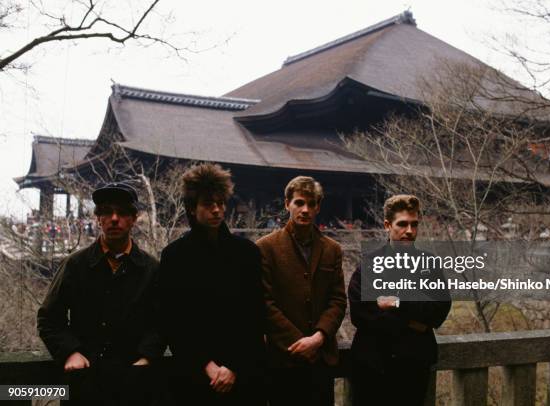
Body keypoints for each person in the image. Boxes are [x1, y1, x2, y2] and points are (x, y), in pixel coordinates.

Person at [37, 182, 164, 406]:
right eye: (107, 212)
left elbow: (162, 321)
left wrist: (147, 356)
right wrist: (69, 352)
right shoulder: (75, 265)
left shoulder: (150, 268)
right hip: (86, 379)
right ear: (98, 219)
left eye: (123, 213)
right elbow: (49, 317)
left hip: (133, 382)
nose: (114, 219)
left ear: (133, 219)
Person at [158, 163, 265, 406]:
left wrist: (233, 366)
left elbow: (255, 314)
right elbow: (173, 318)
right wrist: (205, 364)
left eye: (220, 203)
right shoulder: (174, 256)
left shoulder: (246, 252)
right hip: (195, 376)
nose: (216, 210)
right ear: (192, 209)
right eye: (208, 204)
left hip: (242, 373)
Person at [348, 194, 452, 406]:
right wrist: (412, 322)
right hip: (373, 365)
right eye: (402, 224)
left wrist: (397, 302)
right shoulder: (370, 264)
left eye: (414, 225)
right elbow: (360, 314)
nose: (409, 231)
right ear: (388, 225)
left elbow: (439, 310)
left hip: (412, 367)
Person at [256, 176, 346, 406]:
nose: (305, 210)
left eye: (311, 204)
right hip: (283, 358)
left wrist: (318, 337)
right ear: (287, 204)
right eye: (299, 203)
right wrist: (298, 342)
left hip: (321, 359)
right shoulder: (266, 248)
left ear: (318, 207)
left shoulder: (332, 249)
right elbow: (264, 302)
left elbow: (337, 300)